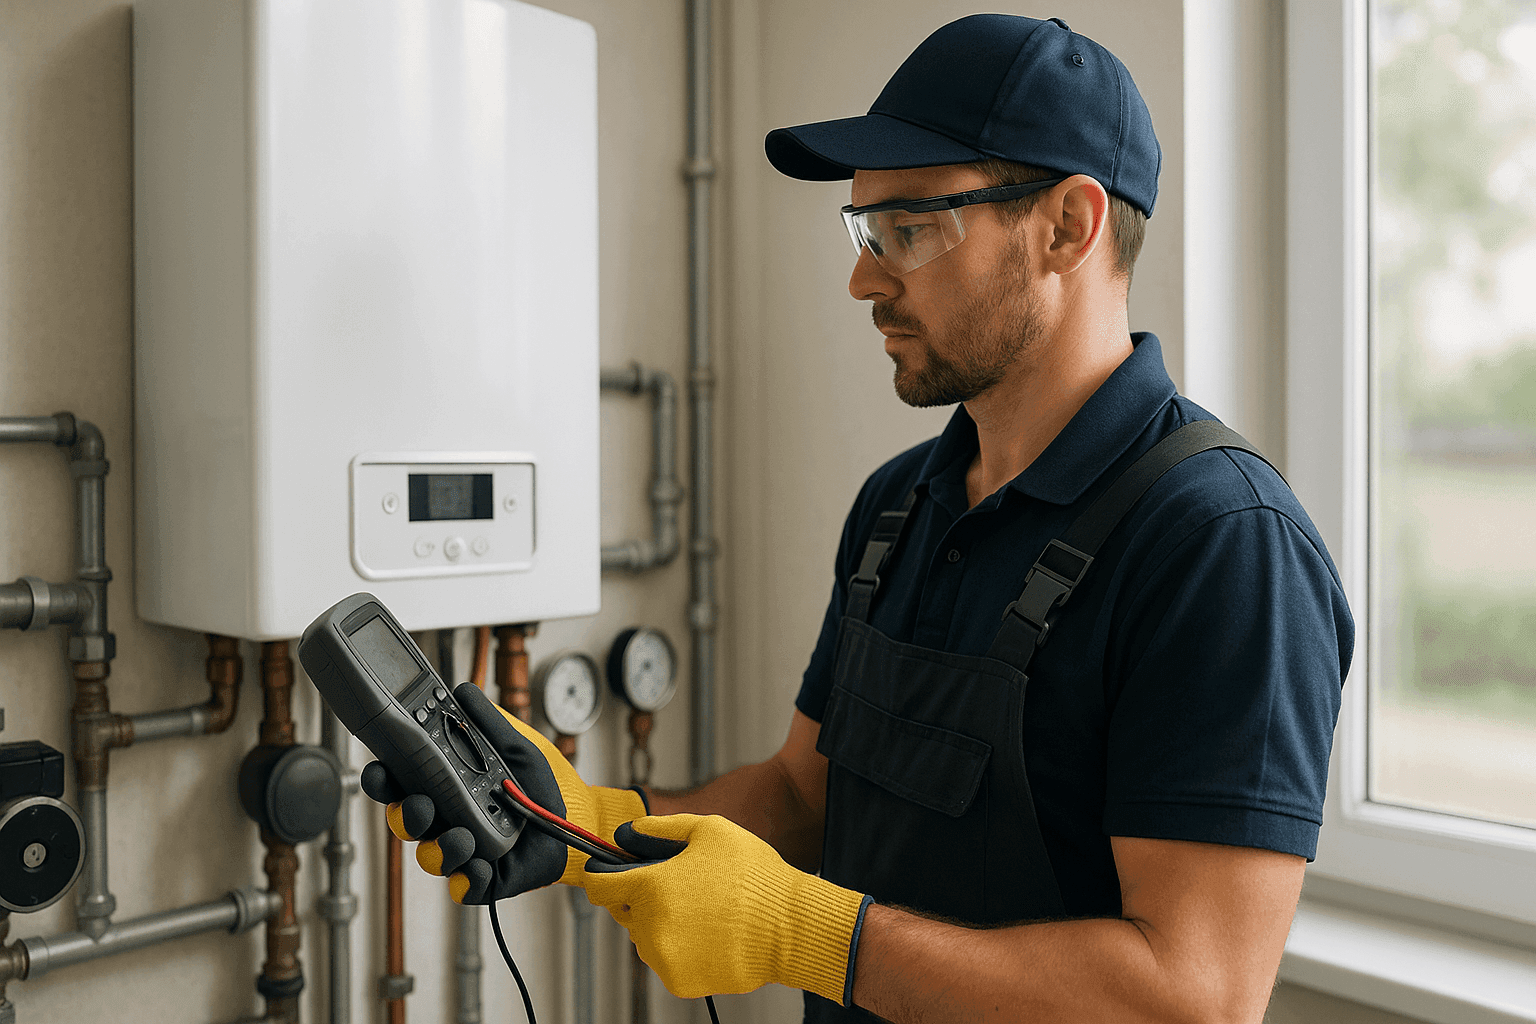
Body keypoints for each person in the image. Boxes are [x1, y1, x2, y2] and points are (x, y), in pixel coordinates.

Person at [363, 14, 1353, 1023]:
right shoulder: (897, 504)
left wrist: (809, 935)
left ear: (1069, 225)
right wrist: (590, 820)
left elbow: (1193, 997)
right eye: (865, 230)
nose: (865, 278)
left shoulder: (1219, 544)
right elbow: (806, 796)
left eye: (910, 231)